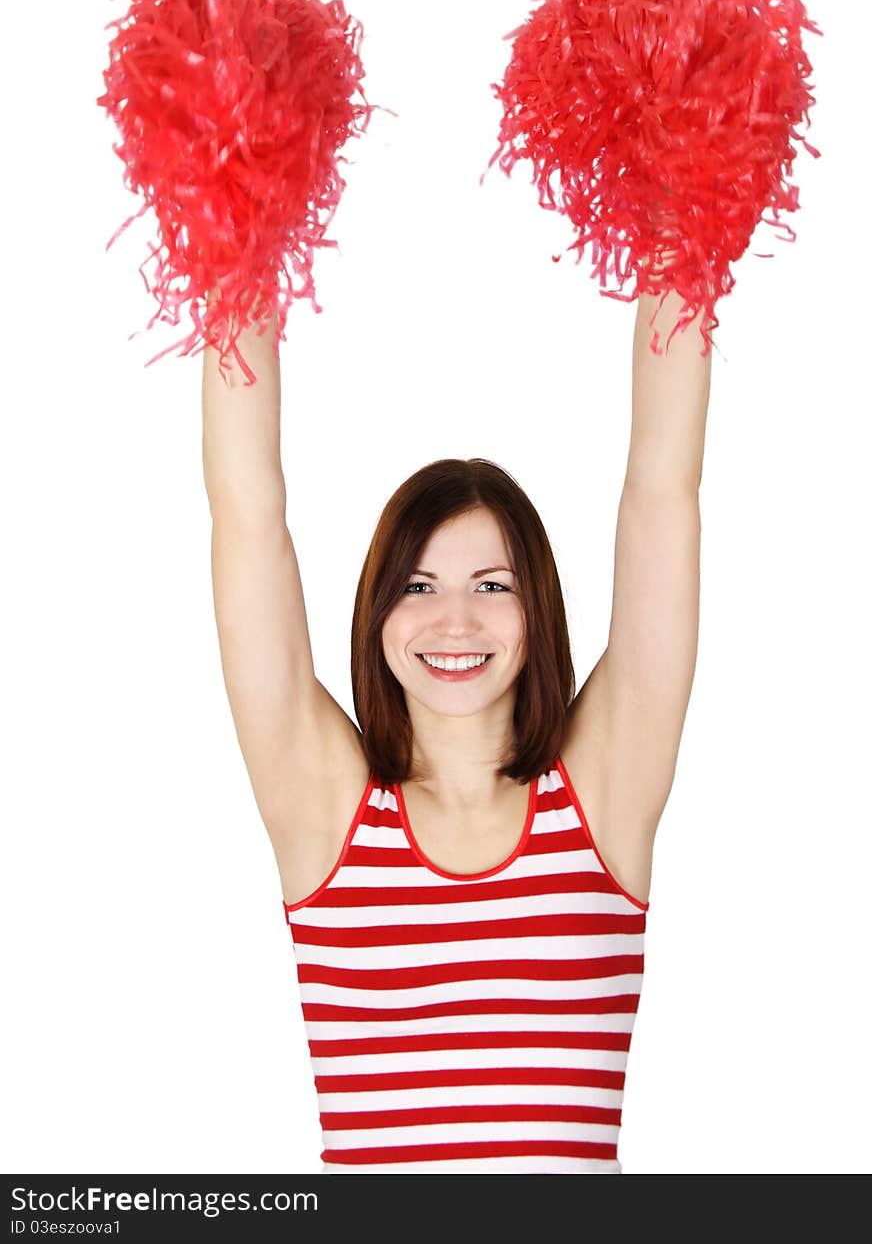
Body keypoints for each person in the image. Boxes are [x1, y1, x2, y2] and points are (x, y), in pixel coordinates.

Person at [202, 277, 711, 1173]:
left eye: (492, 586)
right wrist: (238, 223)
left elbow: (661, 491)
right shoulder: (326, 814)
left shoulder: (602, 796)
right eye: (419, 587)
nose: (455, 625)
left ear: (537, 610)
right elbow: (248, 518)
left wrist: (688, 218)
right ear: (377, 616)